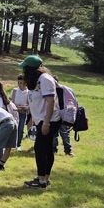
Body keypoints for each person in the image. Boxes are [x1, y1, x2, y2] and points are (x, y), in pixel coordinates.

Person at [20, 54, 60, 189]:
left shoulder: (45, 79)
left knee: (40, 148)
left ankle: (41, 181)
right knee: (47, 148)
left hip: (49, 120)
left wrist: (46, 123)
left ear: (30, 69)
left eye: (24, 69)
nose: (23, 72)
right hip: (42, 120)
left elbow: (51, 102)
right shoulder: (39, 80)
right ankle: (44, 178)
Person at [10, 74, 30, 148]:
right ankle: (12, 144)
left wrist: (25, 107)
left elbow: (30, 104)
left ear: (25, 83)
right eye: (19, 83)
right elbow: (10, 101)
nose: (20, 85)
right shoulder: (15, 91)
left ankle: (18, 144)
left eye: (22, 83)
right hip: (14, 112)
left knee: (20, 129)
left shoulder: (28, 92)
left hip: (22, 113)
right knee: (14, 128)